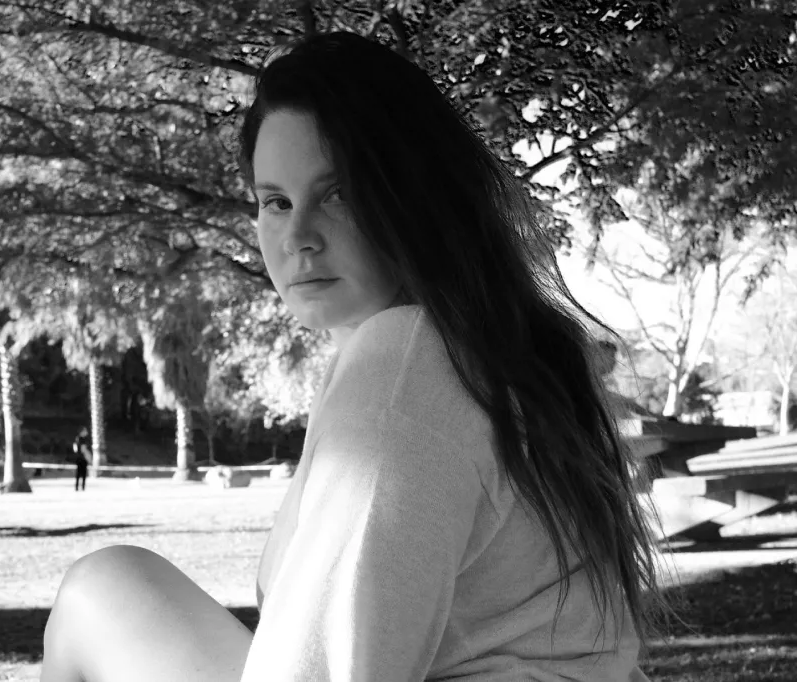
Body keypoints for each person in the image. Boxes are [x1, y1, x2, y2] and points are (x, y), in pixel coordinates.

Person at [40, 32, 665, 682]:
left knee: (100, 592)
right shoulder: (494, 349)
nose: (297, 236)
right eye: (275, 202)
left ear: (416, 197)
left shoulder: (407, 365)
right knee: (112, 583)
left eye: (337, 193)